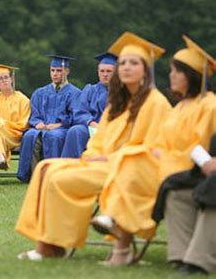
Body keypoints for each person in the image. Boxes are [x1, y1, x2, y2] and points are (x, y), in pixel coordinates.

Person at [15, 32, 171, 265]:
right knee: (47, 167)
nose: (126, 67)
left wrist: (109, 157)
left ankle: (57, 244)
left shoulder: (155, 102)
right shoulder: (117, 104)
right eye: (124, 62)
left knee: (59, 178)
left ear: (146, 70)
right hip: (102, 165)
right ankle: (48, 245)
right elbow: (98, 141)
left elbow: (156, 147)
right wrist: (91, 156)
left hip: (132, 170)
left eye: (134, 63)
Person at [149, 36, 216, 275]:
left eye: (177, 71)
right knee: (175, 191)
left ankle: (199, 260)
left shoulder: (210, 105)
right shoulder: (179, 107)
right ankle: (181, 255)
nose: (172, 76)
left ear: (193, 74)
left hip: (196, 168)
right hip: (188, 168)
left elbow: (199, 145)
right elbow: (162, 141)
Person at [16, 55, 81, 183]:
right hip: (42, 127)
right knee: (30, 135)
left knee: (54, 136)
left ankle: (53, 175)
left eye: (58, 71)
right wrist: (38, 123)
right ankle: (35, 177)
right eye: (52, 70)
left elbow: (75, 116)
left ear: (67, 71)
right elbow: (34, 114)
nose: (55, 74)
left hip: (62, 129)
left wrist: (59, 125)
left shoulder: (75, 93)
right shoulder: (40, 92)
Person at [61, 52, 116, 158]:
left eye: (109, 71)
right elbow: (80, 111)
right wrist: (91, 123)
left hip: (114, 128)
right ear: (98, 73)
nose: (105, 74)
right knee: (75, 131)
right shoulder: (90, 90)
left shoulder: (123, 92)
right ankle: (74, 167)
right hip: (91, 127)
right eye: (102, 71)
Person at [0, 64, 30, 185]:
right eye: (0, 79)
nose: (4, 81)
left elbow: (24, 124)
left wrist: (5, 124)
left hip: (15, 136)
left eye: (6, 77)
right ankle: (0, 157)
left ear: (11, 79)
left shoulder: (23, 99)